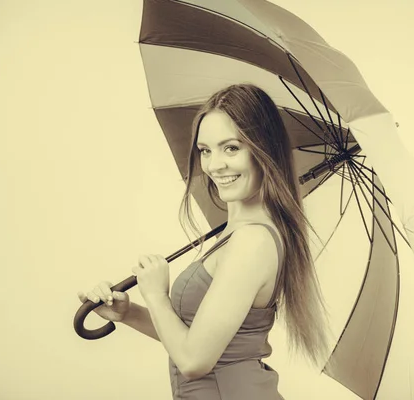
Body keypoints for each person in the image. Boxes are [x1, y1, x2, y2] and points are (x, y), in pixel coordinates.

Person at [77, 83, 331, 399]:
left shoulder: (253, 242)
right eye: (206, 150)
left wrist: (156, 295)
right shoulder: (238, 233)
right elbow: (199, 339)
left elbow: (195, 360)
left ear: (263, 150)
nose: (214, 165)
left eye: (232, 148)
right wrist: (129, 314)